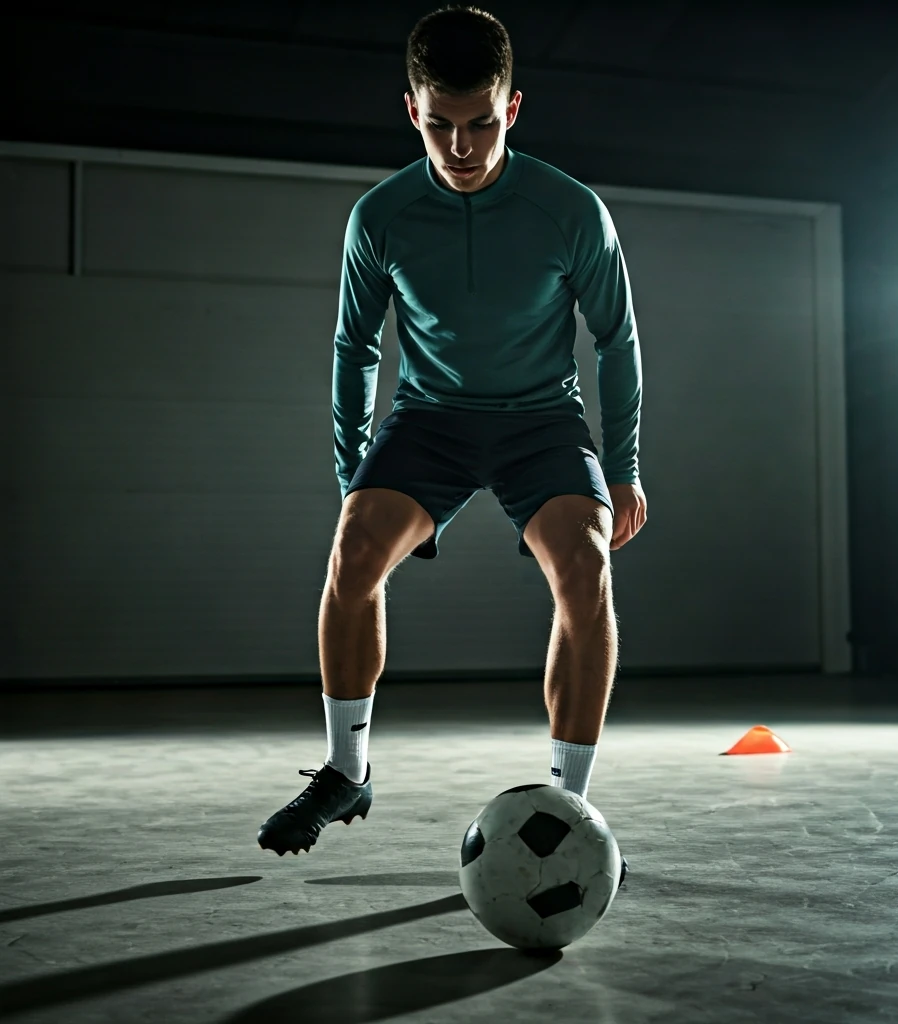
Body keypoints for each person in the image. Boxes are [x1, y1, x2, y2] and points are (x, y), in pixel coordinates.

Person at [257, 5, 645, 888]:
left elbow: (616, 340)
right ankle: (346, 773)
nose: (460, 146)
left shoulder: (570, 210)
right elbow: (355, 346)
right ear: (412, 110)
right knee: (354, 554)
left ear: (512, 109)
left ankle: (569, 809)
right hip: (430, 418)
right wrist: (352, 473)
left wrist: (622, 468)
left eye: (480, 123)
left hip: (541, 421)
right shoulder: (382, 216)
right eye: (439, 125)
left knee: (586, 566)